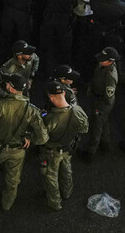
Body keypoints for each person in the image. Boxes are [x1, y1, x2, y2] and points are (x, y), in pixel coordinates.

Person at [0, 73, 49, 211]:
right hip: (19, 150)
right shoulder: (31, 109)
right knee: (13, 179)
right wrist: (29, 138)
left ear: (10, 88)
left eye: (8, 84)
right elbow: (43, 137)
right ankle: (7, 204)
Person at [40, 80, 88, 210]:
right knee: (67, 171)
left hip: (52, 152)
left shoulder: (50, 118)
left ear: (51, 97)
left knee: (51, 176)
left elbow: (41, 139)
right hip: (68, 149)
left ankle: (55, 203)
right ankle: (67, 193)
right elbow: (84, 129)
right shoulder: (78, 111)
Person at [85, 46, 120, 161]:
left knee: (96, 128)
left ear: (111, 61)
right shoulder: (102, 65)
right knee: (104, 122)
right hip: (98, 98)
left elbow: (108, 98)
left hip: (102, 104)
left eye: (103, 59)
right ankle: (105, 144)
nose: (100, 60)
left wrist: (99, 108)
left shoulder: (110, 76)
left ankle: (90, 153)